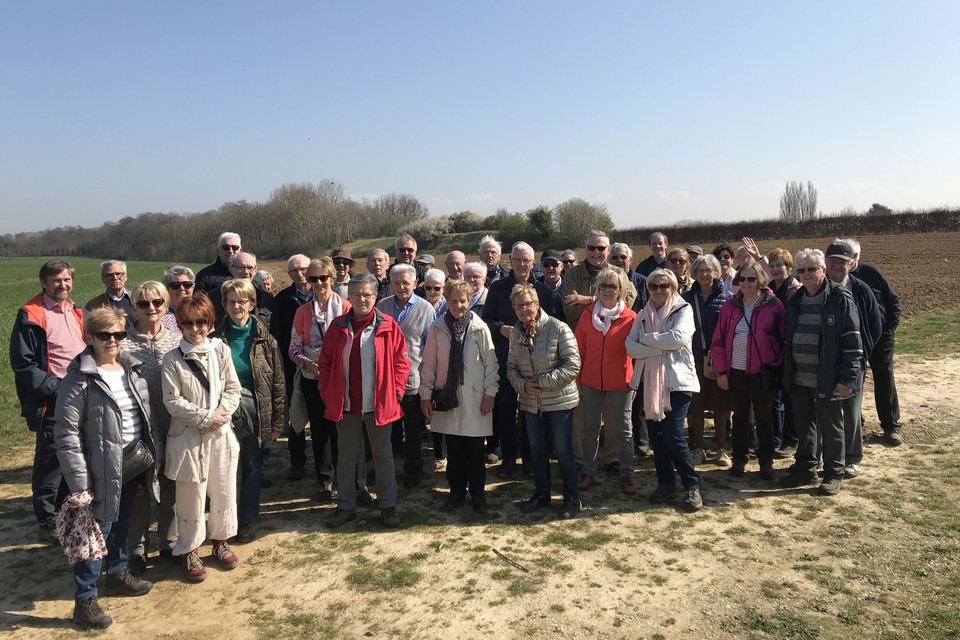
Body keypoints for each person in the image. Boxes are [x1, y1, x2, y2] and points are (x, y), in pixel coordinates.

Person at [55, 307, 156, 629]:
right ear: (89, 338)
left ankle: (117, 573)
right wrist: (79, 482)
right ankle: (85, 601)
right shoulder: (78, 380)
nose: (112, 340)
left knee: (123, 522)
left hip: (132, 462)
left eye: (118, 334)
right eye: (104, 335)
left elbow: (145, 417)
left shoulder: (131, 369)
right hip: (98, 470)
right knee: (94, 534)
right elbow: (66, 434)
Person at [318, 274, 410, 529]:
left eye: (367, 294)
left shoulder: (388, 326)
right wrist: (327, 392)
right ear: (349, 297)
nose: (362, 299)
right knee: (346, 457)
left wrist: (397, 393)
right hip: (345, 405)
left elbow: (402, 363)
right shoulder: (337, 327)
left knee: (383, 457)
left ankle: (388, 506)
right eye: (356, 294)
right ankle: (346, 506)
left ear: (375, 297)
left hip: (380, 404)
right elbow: (325, 363)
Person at [161, 294, 242, 582]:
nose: (195, 329)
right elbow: (173, 401)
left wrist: (221, 414)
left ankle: (220, 541)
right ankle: (189, 549)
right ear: (180, 325)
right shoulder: (172, 360)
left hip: (221, 433)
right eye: (188, 323)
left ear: (209, 323)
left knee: (223, 490)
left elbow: (233, 388)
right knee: (190, 497)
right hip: (187, 437)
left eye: (200, 322)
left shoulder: (221, 351)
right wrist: (205, 418)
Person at [10, 259, 87, 544]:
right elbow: (25, 366)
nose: (62, 285)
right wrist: (57, 388)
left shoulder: (76, 311)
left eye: (67, 279)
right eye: (56, 280)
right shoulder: (31, 315)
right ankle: (47, 521)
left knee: (75, 457)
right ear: (44, 283)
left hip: (81, 395)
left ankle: (67, 511)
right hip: (53, 400)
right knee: (51, 462)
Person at [779, 249, 862, 496]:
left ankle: (834, 473)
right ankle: (806, 467)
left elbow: (853, 343)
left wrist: (847, 378)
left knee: (832, 426)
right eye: (801, 270)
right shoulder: (795, 300)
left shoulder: (839, 299)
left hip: (828, 377)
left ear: (823, 271)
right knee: (804, 425)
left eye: (812, 269)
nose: (806, 274)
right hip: (799, 376)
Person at [626, 269, 703, 512]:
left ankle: (692, 486)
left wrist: (647, 340)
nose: (659, 290)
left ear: (673, 287)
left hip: (677, 383)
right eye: (653, 286)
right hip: (650, 383)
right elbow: (630, 347)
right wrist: (660, 346)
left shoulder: (684, 310)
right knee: (657, 439)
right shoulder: (642, 314)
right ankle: (666, 484)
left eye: (664, 285)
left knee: (673, 435)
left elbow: (679, 339)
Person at [419, 279, 498, 513]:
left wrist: (490, 393)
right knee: (453, 451)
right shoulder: (437, 327)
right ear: (446, 300)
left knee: (475, 451)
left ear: (469, 301)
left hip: (475, 399)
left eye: (462, 301)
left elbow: (491, 364)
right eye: (453, 301)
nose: (458, 305)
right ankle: (456, 492)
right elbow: (429, 364)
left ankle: (478, 494)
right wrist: (425, 394)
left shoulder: (479, 327)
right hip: (447, 398)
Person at [217, 279, 285, 542]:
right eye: (231, 301)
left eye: (242, 301)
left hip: (256, 411)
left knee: (251, 466)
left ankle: (246, 519)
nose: (237, 306)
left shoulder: (265, 340)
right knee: (224, 469)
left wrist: (278, 421)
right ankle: (224, 521)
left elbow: (278, 382)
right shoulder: (215, 340)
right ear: (224, 305)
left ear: (252, 304)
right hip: (224, 413)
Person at [507, 284, 582, 519]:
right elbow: (510, 367)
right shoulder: (516, 334)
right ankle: (542, 493)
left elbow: (572, 365)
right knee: (537, 451)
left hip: (558, 401)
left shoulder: (558, 328)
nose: (523, 309)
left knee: (562, 451)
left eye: (527, 304)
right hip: (531, 403)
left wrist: (543, 381)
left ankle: (571, 498)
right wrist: (523, 385)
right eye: (518, 306)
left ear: (537, 304)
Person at [122, 282, 181, 573]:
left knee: (171, 482)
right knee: (141, 489)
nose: (151, 308)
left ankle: (169, 542)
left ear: (166, 304)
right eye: (143, 304)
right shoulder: (122, 344)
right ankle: (136, 548)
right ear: (134, 308)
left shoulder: (177, 339)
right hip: (138, 428)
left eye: (157, 302)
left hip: (173, 424)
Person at [482, 242, 554, 477]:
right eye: (517, 260)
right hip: (506, 359)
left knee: (531, 412)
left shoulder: (542, 290)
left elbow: (550, 324)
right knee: (505, 411)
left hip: (535, 361)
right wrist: (499, 328)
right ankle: (509, 459)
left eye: (526, 260)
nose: (522, 264)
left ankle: (530, 459)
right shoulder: (497, 288)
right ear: (509, 261)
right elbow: (486, 321)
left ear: (533, 263)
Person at [710, 263, 785, 480]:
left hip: (764, 371)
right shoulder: (730, 306)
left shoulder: (774, 305)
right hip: (737, 370)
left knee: (764, 416)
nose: (745, 283)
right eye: (742, 279)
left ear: (760, 281)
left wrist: (776, 362)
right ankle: (740, 459)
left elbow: (782, 338)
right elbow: (718, 340)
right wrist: (721, 372)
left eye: (751, 279)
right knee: (740, 416)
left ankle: (766, 461)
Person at [288, 257, 350, 501]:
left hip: (341, 378)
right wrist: (306, 362)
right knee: (320, 430)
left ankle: (345, 476)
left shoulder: (345, 307)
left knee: (342, 429)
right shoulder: (302, 312)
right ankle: (324, 480)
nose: (318, 283)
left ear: (332, 279)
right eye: (313, 279)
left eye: (323, 277)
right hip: (312, 378)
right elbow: (293, 347)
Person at [574, 268, 638, 494]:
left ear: (620, 290)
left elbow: (638, 354)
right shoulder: (587, 316)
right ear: (597, 289)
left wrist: (634, 382)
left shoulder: (631, 318)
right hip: (590, 381)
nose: (608, 291)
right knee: (590, 429)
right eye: (603, 286)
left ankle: (627, 472)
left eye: (613, 286)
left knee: (623, 430)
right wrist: (578, 379)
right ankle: (588, 471)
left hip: (621, 383)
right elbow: (578, 351)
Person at [825, 240, 882, 478]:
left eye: (842, 262)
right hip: (826, 361)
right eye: (832, 261)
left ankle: (852, 457)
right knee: (828, 411)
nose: (837, 265)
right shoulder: (820, 287)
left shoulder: (861, 289)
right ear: (825, 264)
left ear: (851, 264)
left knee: (851, 411)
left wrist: (863, 353)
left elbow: (875, 326)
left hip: (853, 362)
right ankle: (830, 457)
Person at [377, 264, 437, 488]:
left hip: (413, 380)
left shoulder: (425, 309)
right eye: (396, 283)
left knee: (413, 430)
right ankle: (387, 470)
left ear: (415, 283)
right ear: (390, 283)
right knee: (387, 431)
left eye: (406, 283)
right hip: (384, 380)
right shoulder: (381, 306)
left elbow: (429, 348)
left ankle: (414, 470)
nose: (401, 287)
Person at [849, 239, 904, 446]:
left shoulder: (872, 273)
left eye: (852, 256)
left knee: (884, 378)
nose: (848, 260)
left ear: (857, 256)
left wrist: (889, 329)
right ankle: (855, 422)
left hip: (880, 337)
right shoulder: (834, 276)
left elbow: (893, 301)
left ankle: (891, 426)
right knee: (853, 379)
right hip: (853, 338)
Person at [681, 254, 733, 467]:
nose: (704, 274)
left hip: (718, 359)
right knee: (697, 406)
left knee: (721, 406)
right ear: (694, 273)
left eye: (708, 270)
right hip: (693, 358)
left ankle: (722, 449)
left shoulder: (727, 298)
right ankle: (698, 449)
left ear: (715, 272)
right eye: (700, 270)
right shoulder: (686, 298)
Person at [274, 254, 315, 480]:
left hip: (319, 367)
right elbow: (280, 334)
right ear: (288, 274)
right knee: (296, 415)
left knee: (320, 417)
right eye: (294, 271)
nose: (300, 274)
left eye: (303, 269)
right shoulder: (282, 299)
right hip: (293, 366)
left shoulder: (324, 296)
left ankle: (323, 461)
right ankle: (297, 462)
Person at [215, 251, 277, 333]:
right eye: (241, 267)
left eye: (250, 268)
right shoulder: (215, 297)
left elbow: (275, 332)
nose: (246, 272)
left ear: (256, 271)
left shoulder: (266, 298)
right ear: (231, 269)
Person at [84, 260, 134, 329]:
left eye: (118, 274)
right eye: (110, 275)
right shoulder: (93, 306)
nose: (115, 278)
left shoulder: (138, 299)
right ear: (103, 279)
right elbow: (87, 331)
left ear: (125, 276)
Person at [195, 232, 242, 298]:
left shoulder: (251, 274)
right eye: (225, 247)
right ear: (218, 251)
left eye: (235, 247)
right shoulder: (203, 276)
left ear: (240, 251)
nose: (230, 251)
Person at [608, 243, 649, 313]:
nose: (619, 260)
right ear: (610, 261)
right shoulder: (604, 282)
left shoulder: (644, 282)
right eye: (615, 258)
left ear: (630, 260)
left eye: (623, 257)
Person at [161, 265, 196, 334]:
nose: (182, 288)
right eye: (175, 285)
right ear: (167, 289)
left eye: (187, 284)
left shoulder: (202, 311)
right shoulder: (160, 315)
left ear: (193, 287)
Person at [537, 249, 566, 321]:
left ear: (561, 266)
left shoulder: (570, 285)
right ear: (541, 267)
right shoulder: (534, 287)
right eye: (546, 265)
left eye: (554, 264)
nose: (550, 268)